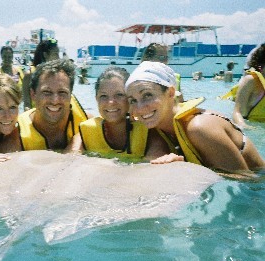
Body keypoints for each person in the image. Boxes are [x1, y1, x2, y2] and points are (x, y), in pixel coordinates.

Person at [125, 61, 264, 174]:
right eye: (132, 100)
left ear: (171, 92)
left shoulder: (199, 127)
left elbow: (246, 181)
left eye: (147, 95)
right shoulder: (158, 127)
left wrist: (185, 168)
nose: (139, 108)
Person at [68, 67, 169, 160]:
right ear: (96, 99)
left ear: (130, 99)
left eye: (119, 95)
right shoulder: (85, 134)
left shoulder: (149, 132)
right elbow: (68, 162)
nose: (111, 102)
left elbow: (155, 166)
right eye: (104, 96)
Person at [0, 59, 88, 152]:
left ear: (70, 96)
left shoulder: (86, 125)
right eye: (47, 92)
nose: (55, 101)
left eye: (62, 92)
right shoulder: (14, 141)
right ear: (33, 95)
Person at [22, 38, 60, 110]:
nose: (58, 57)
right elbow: (27, 103)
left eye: (58, 54)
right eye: (55, 54)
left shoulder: (57, 74)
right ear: (45, 55)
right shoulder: (29, 75)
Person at [233, 43, 265, 128]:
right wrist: (244, 126)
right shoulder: (250, 81)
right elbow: (237, 112)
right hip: (251, 126)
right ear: (260, 66)